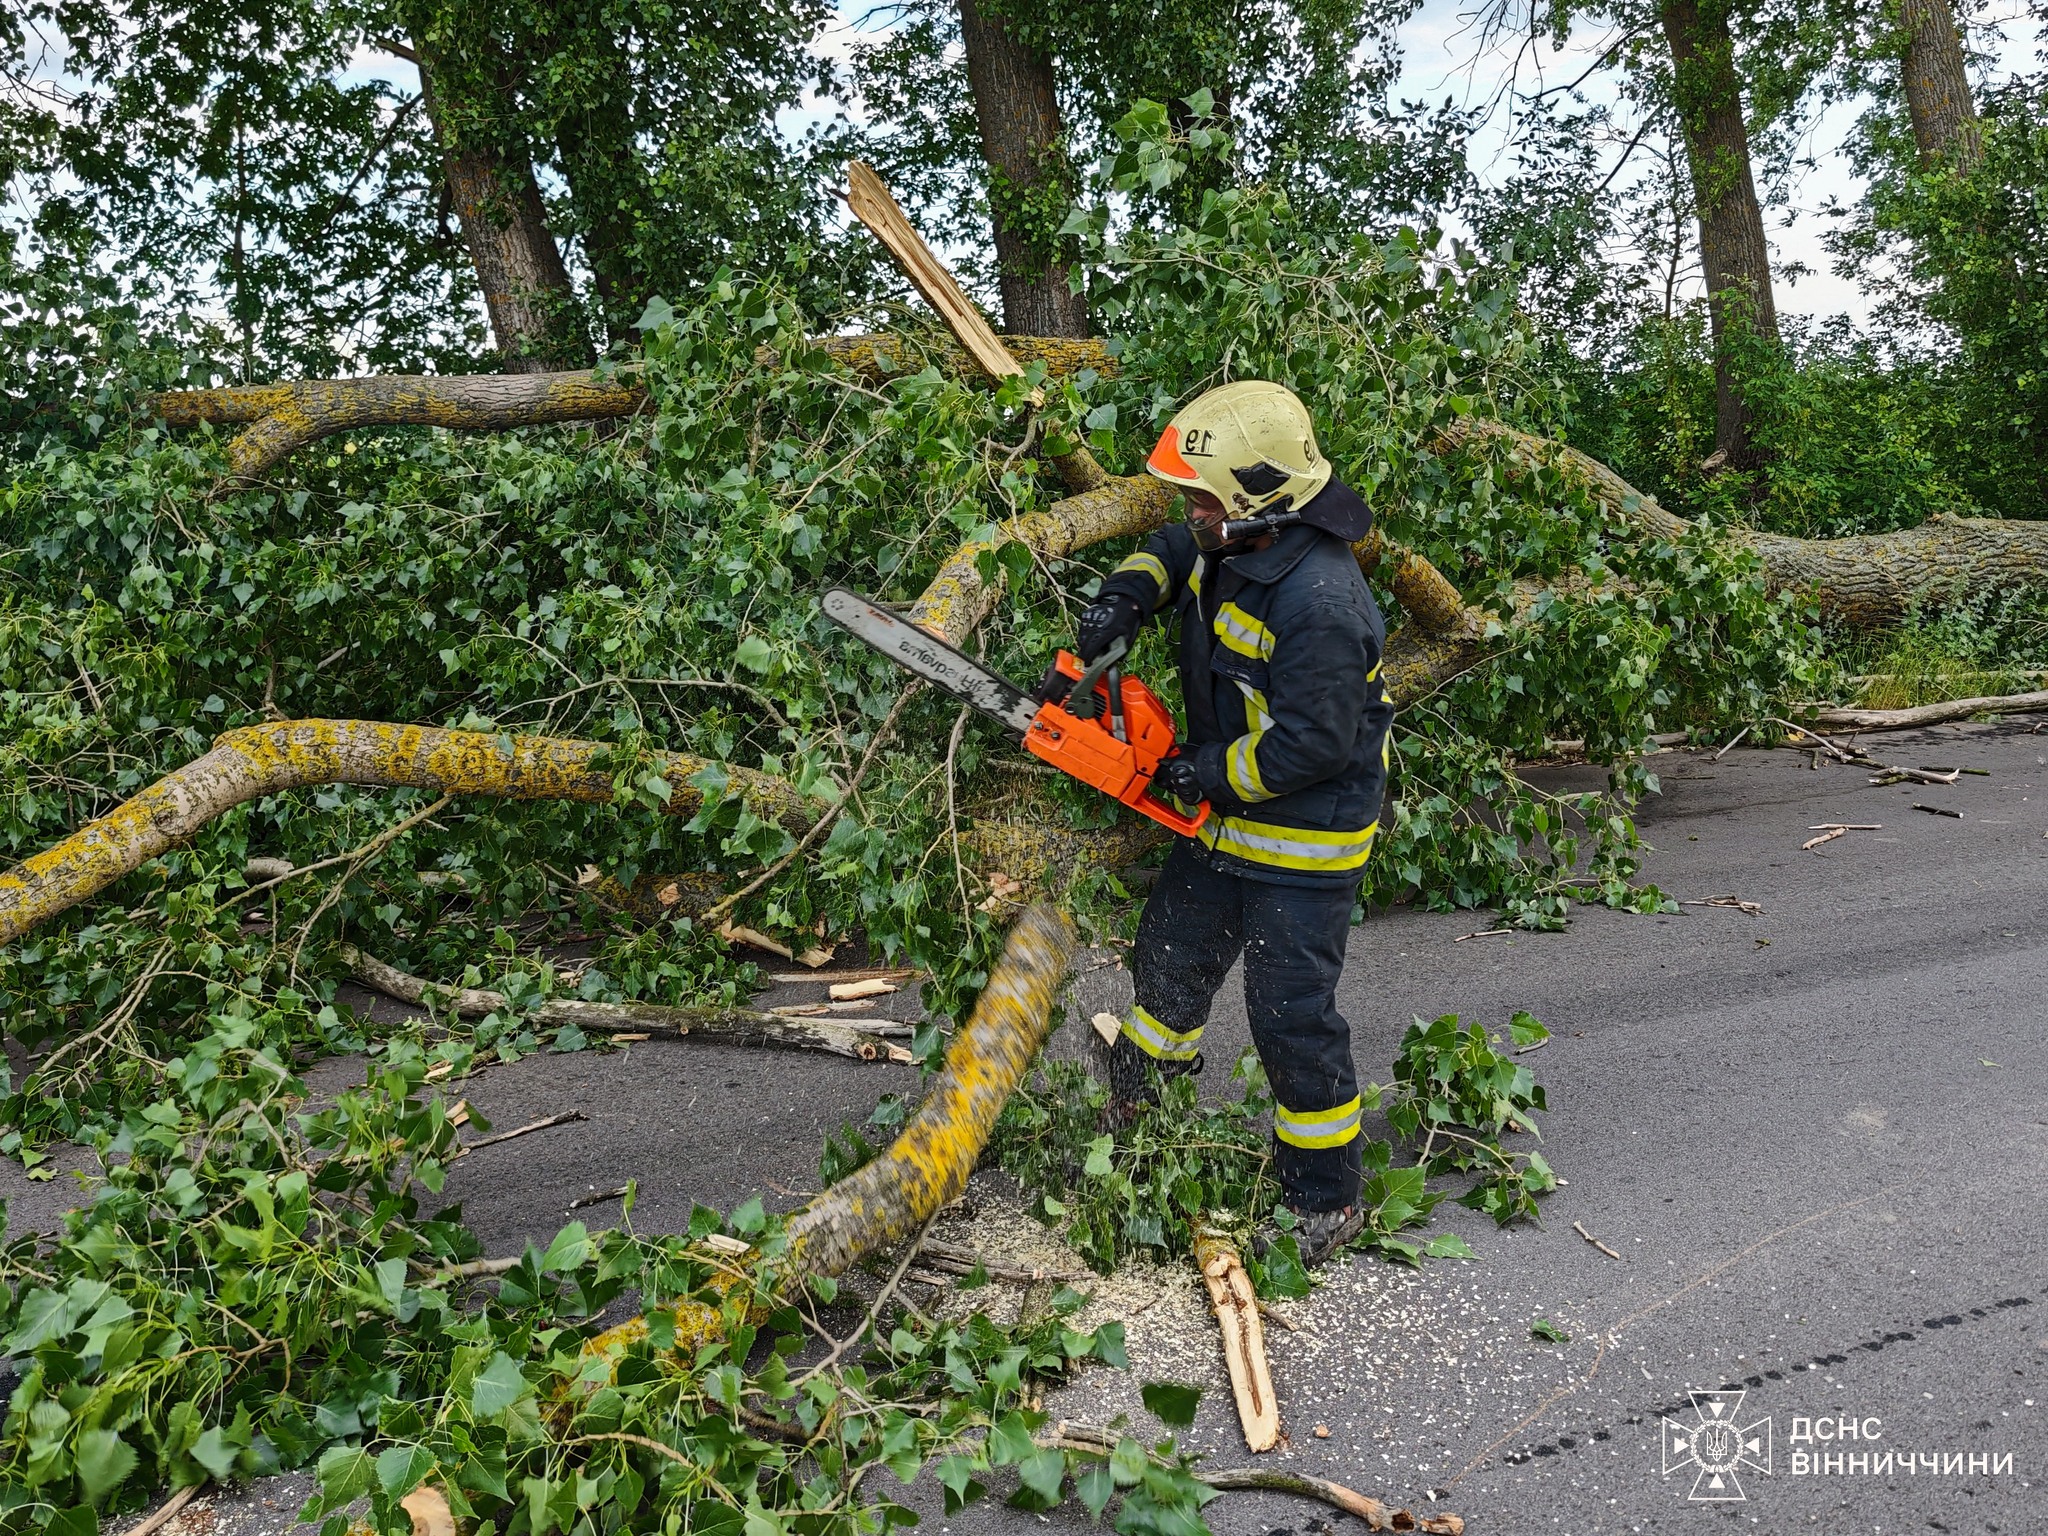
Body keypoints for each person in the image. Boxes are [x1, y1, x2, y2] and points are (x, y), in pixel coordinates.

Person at [1055, 380, 1394, 1266]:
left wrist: (1195, 772)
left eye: (1204, 495)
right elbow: (1174, 547)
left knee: (1290, 1015)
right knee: (1166, 963)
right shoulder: (1231, 539)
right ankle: (1140, 1116)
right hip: (1220, 820)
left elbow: (1313, 749)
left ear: (1259, 499)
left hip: (1302, 835)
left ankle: (1325, 1198)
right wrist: (1123, 600)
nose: (1191, 510)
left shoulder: (1320, 602)